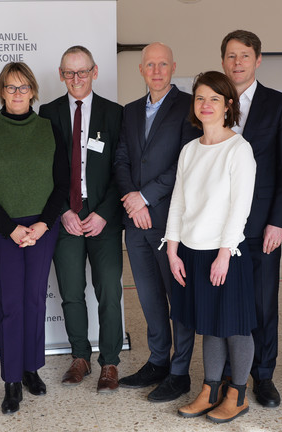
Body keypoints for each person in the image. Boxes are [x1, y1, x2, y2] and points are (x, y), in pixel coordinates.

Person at [0, 62, 70, 414]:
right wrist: (11, 228)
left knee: (34, 300)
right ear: (1, 91)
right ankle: (11, 380)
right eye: (10, 87)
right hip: (1, 229)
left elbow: (62, 183)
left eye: (23, 87)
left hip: (43, 227)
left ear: (33, 91)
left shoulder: (49, 129)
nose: (17, 93)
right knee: (10, 306)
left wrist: (43, 224)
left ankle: (30, 368)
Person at [166, 70, 256, 424]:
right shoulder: (190, 150)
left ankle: (237, 395)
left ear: (228, 105)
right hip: (190, 250)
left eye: (214, 99)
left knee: (234, 326)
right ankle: (210, 390)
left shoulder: (239, 149)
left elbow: (240, 208)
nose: (206, 105)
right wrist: (172, 250)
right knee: (209, 324)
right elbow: (177, 203)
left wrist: (223, 254)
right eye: (200, 98)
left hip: (225, 253)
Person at [114, 42, 201, 402]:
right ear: (141, 70)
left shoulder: (189, 107)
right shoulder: (130, 111)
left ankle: (180, 372)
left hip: (170, 220)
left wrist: (146, 196)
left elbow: (186, 163)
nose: (157, 70)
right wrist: (134, 201)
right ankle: (157, 361)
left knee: (175, 296)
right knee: (149, 297)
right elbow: (120, 158)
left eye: (163, 64)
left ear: (173, 66)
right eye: (150, 64)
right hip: (136, 222)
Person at [219, 30, 282, 407]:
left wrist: (278, 221)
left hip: (261, 223)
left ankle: (263, 375)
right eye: (231, 56)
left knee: (264, 302)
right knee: (220, 300)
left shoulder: (281, 105)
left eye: (245, 55)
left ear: (258, 60)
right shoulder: (209, 102)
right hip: (216, 227)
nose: (238, 62)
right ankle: (222, 375)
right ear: (223, 61)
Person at [38, 46, 124, 394]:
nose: (76, 79)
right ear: (61, 75)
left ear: (95, 71)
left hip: (103, 215)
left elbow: (124, 170)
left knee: (108, 289)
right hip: (66, 215)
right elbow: (43, 171)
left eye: (83, 72)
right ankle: (80, 356)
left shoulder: (116, 114)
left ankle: (110, 361)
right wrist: (63, 212)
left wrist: (104, 213)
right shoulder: (47, 113)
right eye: (69, 73)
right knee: (71, 291)